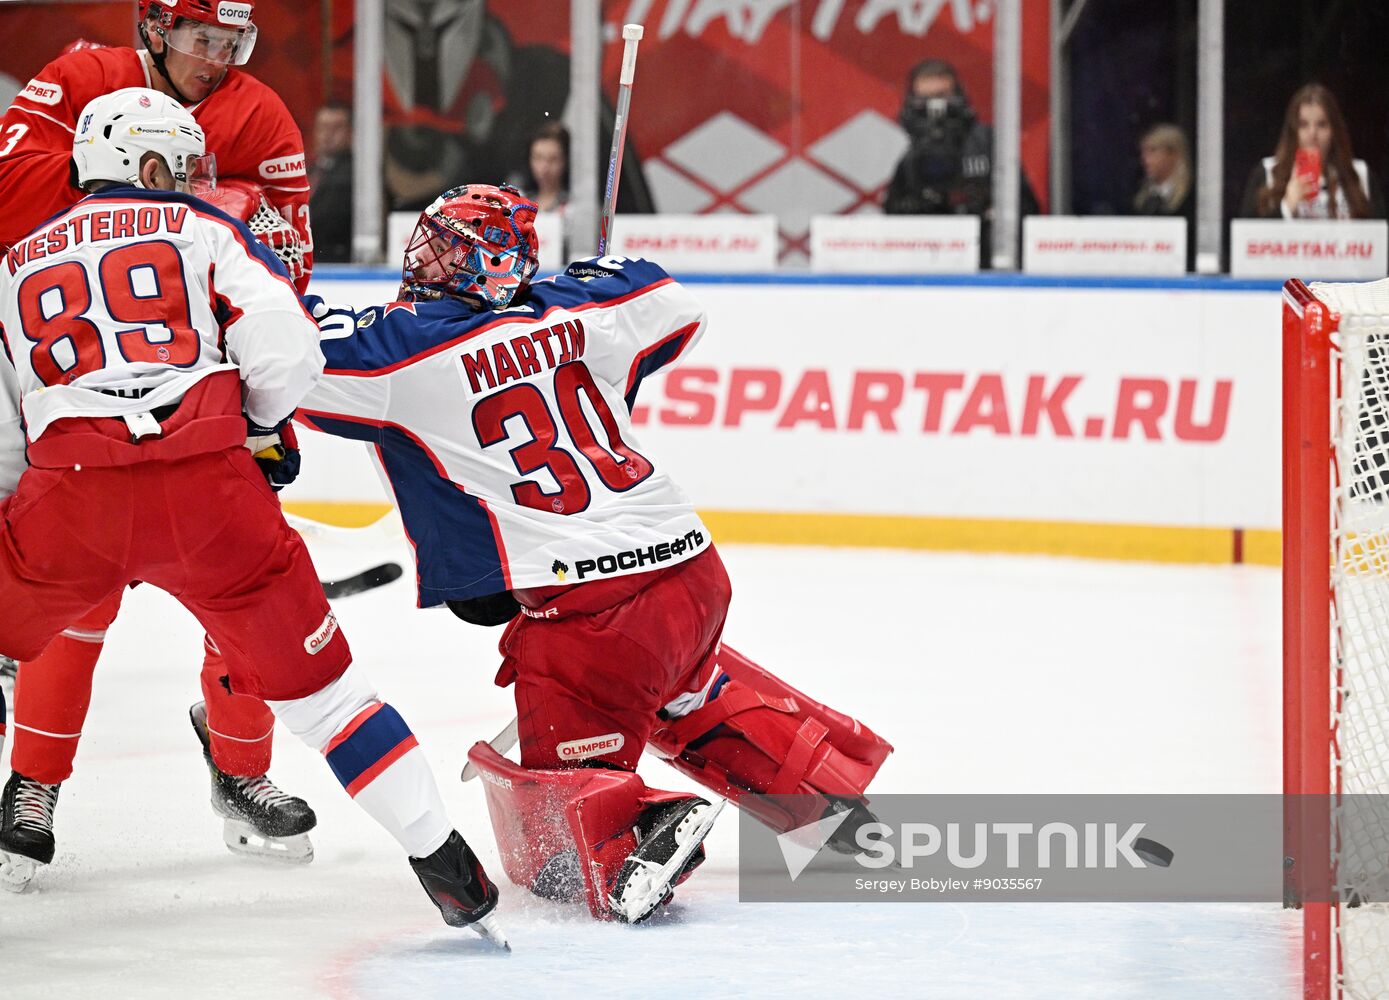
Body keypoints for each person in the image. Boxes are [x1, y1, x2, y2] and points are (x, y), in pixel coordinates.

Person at [295, 184, 893, 924]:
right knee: (677, 685)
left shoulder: (406, 351)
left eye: (451, 246)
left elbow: (290, 357)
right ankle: (827, 799)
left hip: (590, 613)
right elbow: (671, 302)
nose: (430, 258)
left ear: (482, 261)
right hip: (693, 573)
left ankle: (642, 826)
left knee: (556, 846)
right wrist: (576, 288)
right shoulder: (580, 311)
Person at [0, 90, 505, 945]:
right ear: (152, 168)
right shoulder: (201, 231)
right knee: (332, 700)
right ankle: (444, 862)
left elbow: (8, 428)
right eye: (187, 167)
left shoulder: (14, 263)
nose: (196, 180)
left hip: (68, 496)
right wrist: (256, 429)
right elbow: (288, 349)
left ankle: (51, 782)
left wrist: (29, 527)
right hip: (208, 495)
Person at [0, 0, 320, 867]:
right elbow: (13, 217)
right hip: (75, 371)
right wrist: (191, 207)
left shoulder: (257, 112)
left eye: (232, 42)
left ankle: (242, 770)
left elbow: (285, 261)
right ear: (153, 32)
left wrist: (264, 408)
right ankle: (34, 782)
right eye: (198, 38)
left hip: (203, 383)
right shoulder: (75, 78)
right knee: (77, 607)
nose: (216, 58)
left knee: (243, 606)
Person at [883, 58, 1039, 267]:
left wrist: (980, 206)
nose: (936, 110)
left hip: (987, 262)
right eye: (924, 100)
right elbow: (891, 225)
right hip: (929, 265)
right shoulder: (910, 159)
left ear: (957, 95)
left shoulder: (986, 143)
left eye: (942, 96)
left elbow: (1026, 210)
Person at [1239, 83, 1385, 220]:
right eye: (1303, 125)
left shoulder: (1360, 175)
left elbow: (1381, 238)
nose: (1312, 134)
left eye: (1322, 125)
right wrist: (1286, 207)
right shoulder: (1267, 173)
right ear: (1293, 131)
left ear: (1334, 131)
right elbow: (1246, 239)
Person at [309, 101, 354, 263]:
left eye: (336, 128)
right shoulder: (308, 171)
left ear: (350, 133)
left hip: (338, 260)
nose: (328, 135)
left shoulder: (356, 175)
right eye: (323, 128)